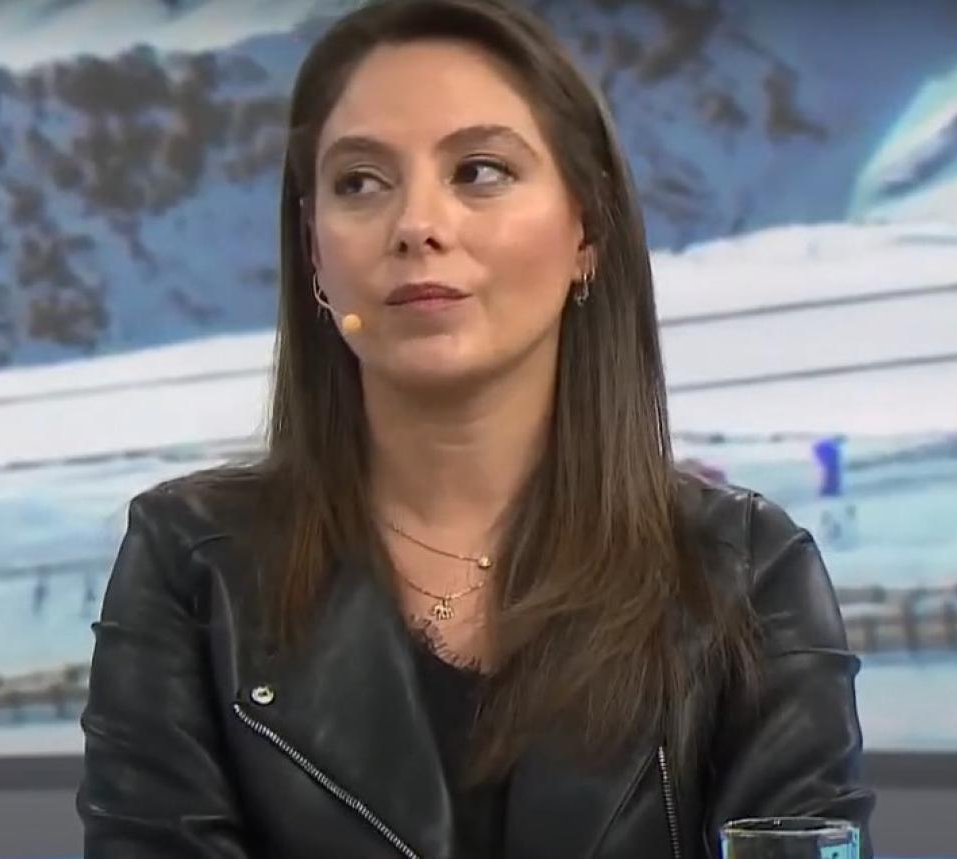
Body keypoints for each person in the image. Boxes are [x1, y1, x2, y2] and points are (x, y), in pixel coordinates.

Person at [76, 1, 875, 857]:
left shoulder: (747, 574)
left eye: (480, 171)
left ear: (587, 228)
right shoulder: (191, 565)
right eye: (360, 183)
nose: (418, 225)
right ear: (314, 252)